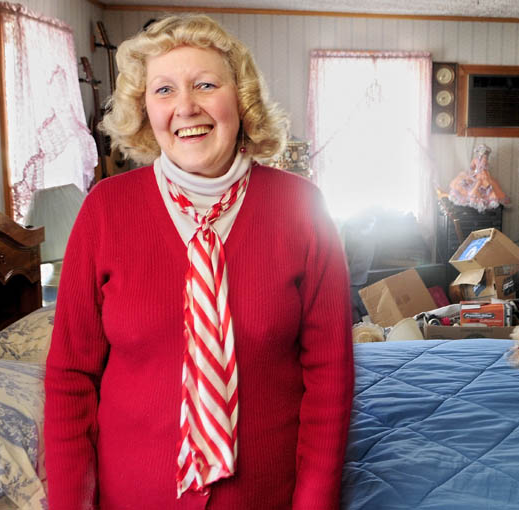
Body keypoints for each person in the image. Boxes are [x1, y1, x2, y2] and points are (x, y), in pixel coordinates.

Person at [44, 14, 354, 509]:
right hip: (132, 496)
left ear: (241, 99)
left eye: (205, 84)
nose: (185, 106)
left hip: (266, 496)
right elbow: (69, 378)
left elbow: (330, 378)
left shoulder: (304, 208)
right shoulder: (105, 209)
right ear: (145, 110)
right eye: (163, 90)